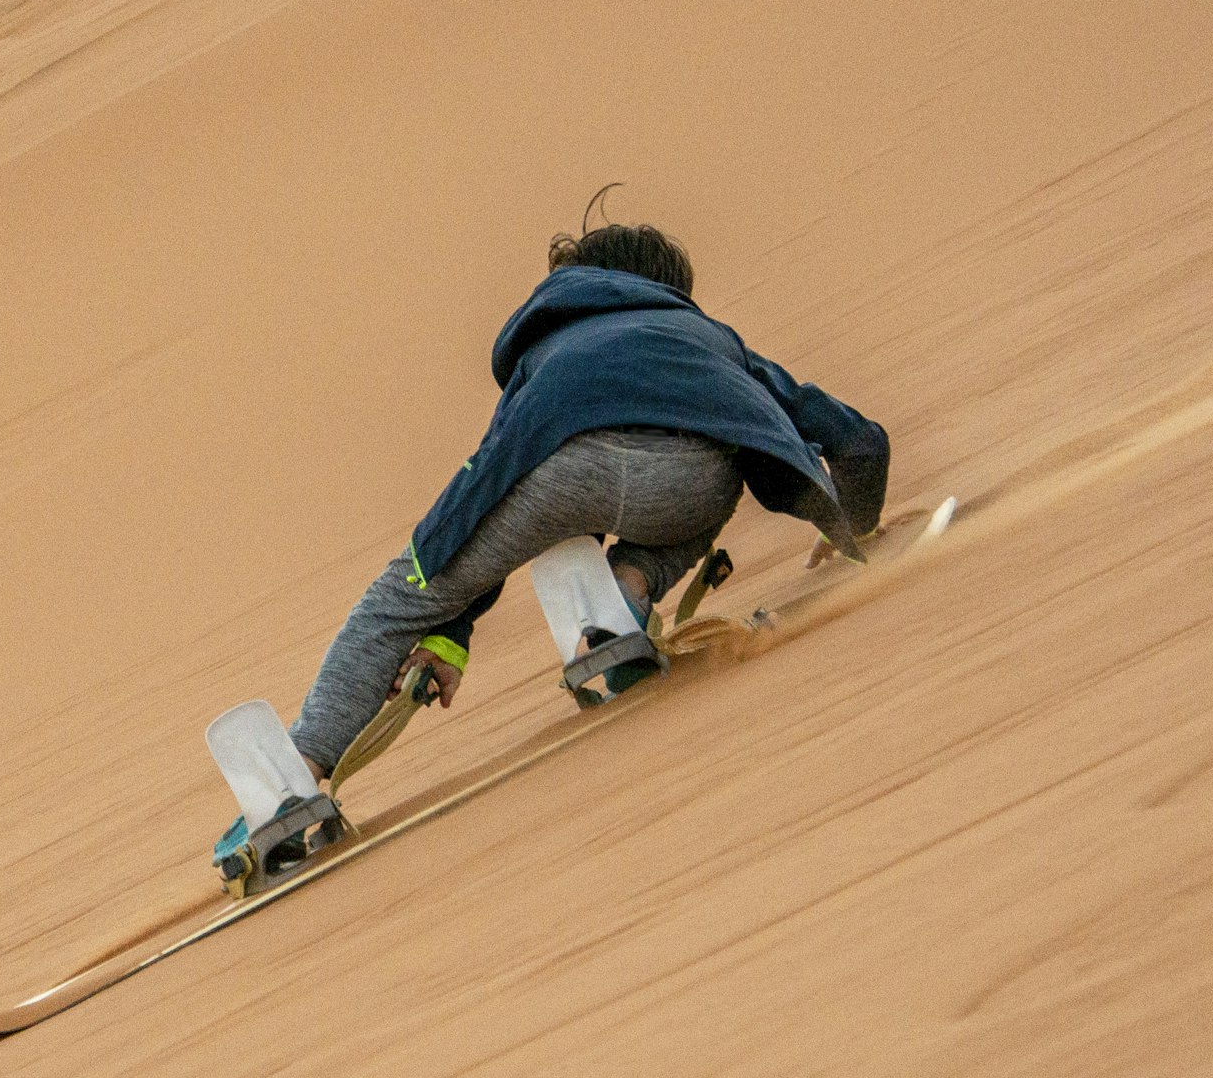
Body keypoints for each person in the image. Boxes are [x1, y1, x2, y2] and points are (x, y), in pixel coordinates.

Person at [288, 215, 889, 774]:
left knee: (398, 600)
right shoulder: (703, 334)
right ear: (667, 289)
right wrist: (852, 529)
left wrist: (450, 634)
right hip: (687, 484)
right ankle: (626, 595)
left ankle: (294, 779)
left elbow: (493, 480)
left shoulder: (545, 350)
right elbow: (853, 440)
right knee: (722, 469)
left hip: (564, 475)